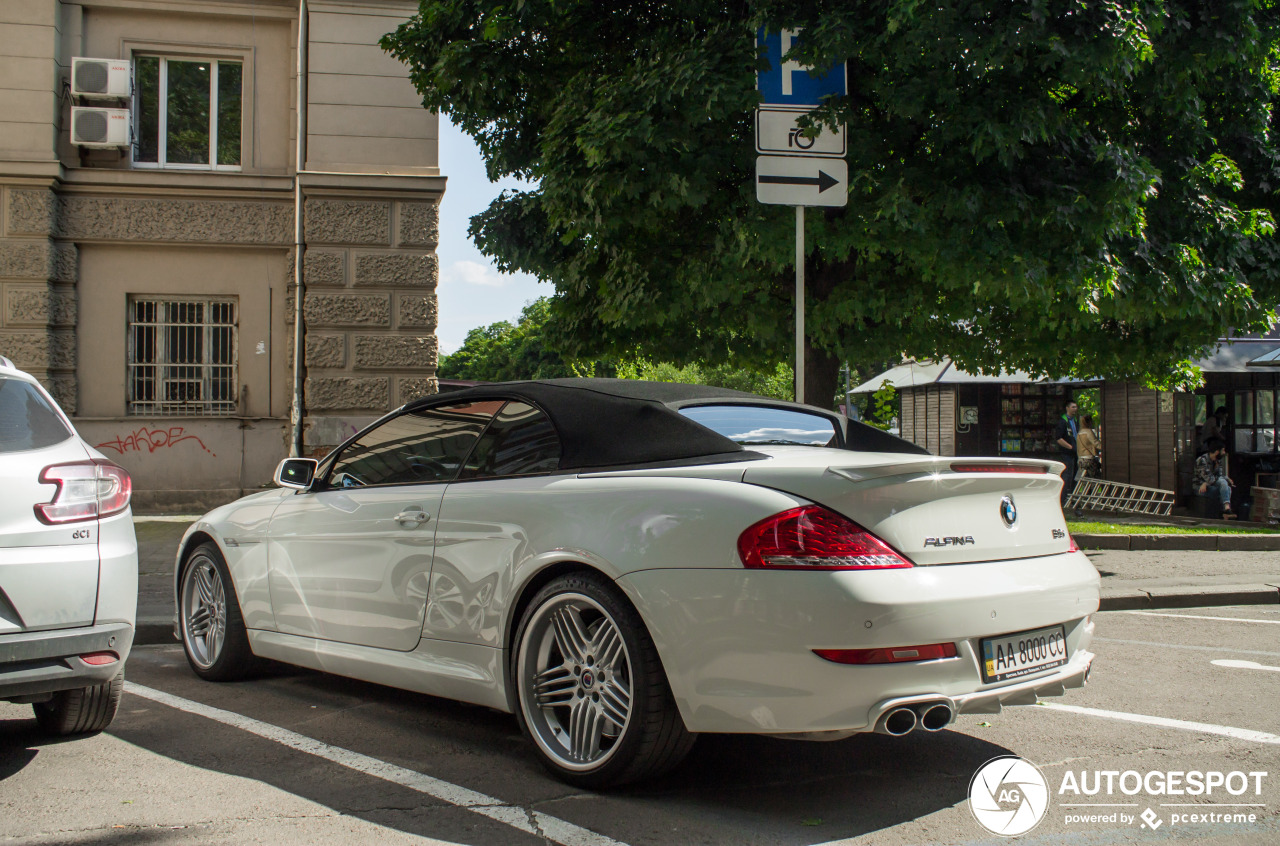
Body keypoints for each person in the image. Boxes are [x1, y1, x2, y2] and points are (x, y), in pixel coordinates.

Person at [1193, 436, 1235, 518]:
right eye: (1223, 450)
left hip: (1209, 485)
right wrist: (1206, 483)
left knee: (1227, 488)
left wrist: (1226, 478)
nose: (1224, 453)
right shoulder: (1202, 460)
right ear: (1216, 452)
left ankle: (1225, 511)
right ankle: (1225, 509)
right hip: (1199, 487)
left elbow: (1219, 475)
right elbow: (1210, 479)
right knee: (1222, 487)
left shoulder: (1217, 461)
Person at [1054, 400, 1079, 506]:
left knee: (1074, 475)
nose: (1075, 409)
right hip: (1066, 453)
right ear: (1067, 408)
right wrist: (1070, 447)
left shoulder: (1075, 421)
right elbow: (1058, 438)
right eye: (1073, 407)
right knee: (1067, 475)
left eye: (1076, 407)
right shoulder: (1062, 422)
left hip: (1075, 452)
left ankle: (1072, 497)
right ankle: (1062, 499)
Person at [1076, 414, 1101, 481]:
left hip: (1081, 459)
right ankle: (1094, 491)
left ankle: (1086, 491)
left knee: (1085, 480)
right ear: (1089, 422)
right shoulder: (1089, 432)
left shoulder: (1079, 433)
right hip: (1089, 459)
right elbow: (1096, 443)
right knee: (1094, 479)